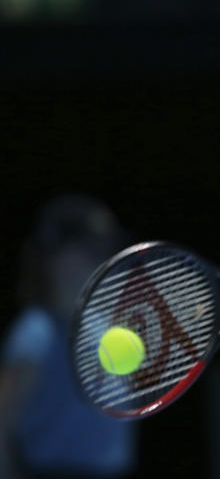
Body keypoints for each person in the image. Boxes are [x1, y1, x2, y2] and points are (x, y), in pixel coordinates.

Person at [0, 195, 137, 479]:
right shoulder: (36, 330)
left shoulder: (108, 328)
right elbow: (3, 421)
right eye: (90, 249)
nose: (102, 258)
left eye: (105, 249)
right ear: (55, 257)